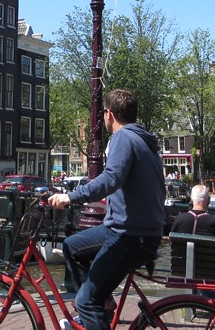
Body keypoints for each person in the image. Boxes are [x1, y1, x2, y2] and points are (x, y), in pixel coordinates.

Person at [47, 89, 166, 330]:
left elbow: (111, 179)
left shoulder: (123, 138)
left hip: (130, 235)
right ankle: (103, 304)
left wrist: (70, 197)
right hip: (140, 229)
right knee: (72, 246)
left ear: (109, 114)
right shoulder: (145, 141)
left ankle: (92, 306)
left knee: (86, 300)